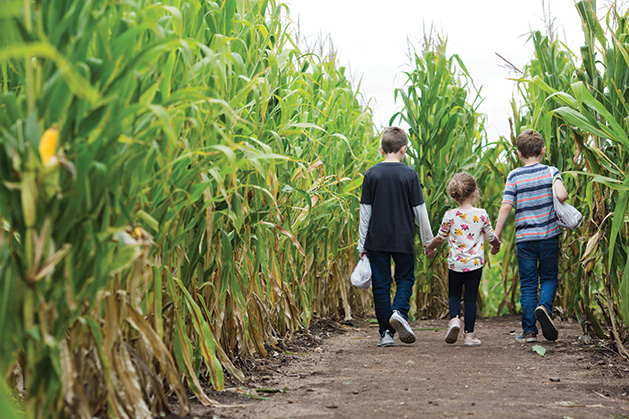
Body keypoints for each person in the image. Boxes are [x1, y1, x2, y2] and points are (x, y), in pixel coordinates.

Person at [357, 126, 433, 347]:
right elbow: (420, 210)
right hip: (402, 238)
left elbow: (365, 212)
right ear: (404, 149)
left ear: (382, 150)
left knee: (381, 284)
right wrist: (428, 241)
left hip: (377, 240)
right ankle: (399, 311)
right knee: (405, 278)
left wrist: (362, 244)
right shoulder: (409, 174)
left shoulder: (371, 174)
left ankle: (386, 334)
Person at [493, 129, 569, 343]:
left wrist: (496, 236)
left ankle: (529, 332)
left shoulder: (514, 176)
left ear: (519, 154)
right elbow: (562, 195)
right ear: (543, 150)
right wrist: (556, 182)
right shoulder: (550, 171)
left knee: (527, 284)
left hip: (525, 240)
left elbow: (506, 206)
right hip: (548, 237)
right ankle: (543, 306)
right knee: (548, 278)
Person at [424, 173, 501, 346]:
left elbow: (440, 238)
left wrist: (430, 247)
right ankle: (469, 336)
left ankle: (455, 320)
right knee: (471, 298)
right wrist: (496, 245)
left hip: (455, 264)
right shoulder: (481, 214)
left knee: (454, 294)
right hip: (474, 264)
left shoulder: (450, 215)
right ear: (474, 192)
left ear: (455, 195)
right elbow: (491, 236)